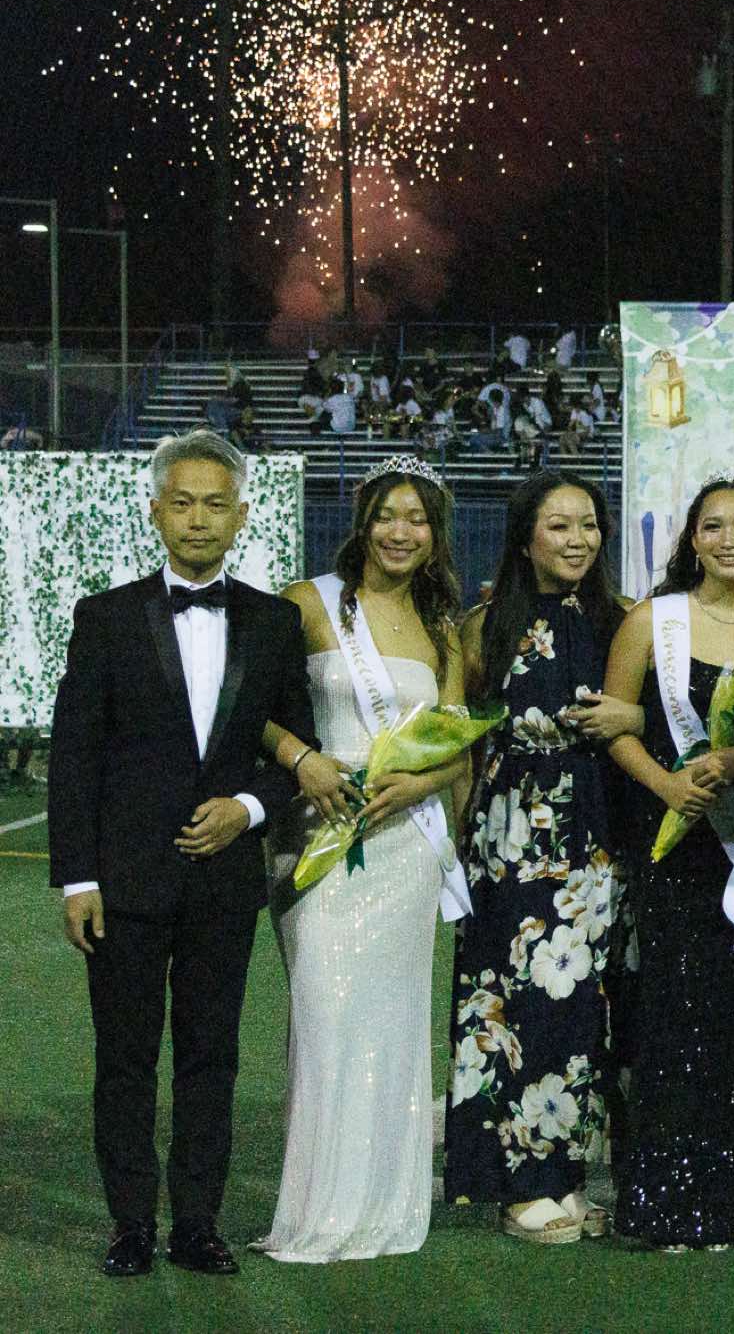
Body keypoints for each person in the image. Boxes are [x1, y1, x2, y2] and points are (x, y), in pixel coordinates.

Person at [50, 430, 316, 1279]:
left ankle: (197, 1222)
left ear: (242, 516)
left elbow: (297, 749)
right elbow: (75, 756)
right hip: (123, 883)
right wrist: (78, 878)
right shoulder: (104, 616)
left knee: (211, 1057)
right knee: (124, 1060)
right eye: (183, 502)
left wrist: (247, 809)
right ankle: (130, 1222)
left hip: (224, 885)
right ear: (156, 511)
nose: (198, 519)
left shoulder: (275, 622)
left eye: (215, 505)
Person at [252, 457, 469, 1263]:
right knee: (325, 1012)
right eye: (387, 515)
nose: (400, 532)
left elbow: (456, 748)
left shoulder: (442, 630)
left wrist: (420, 782)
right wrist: (303, 759)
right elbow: (251, 707)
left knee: (390, 1021)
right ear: (363, 521)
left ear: (435, 533)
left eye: (417, 518)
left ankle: (380, 1199)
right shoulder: (307, 603)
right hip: (316, 837)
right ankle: (318, 1204)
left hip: (405, 847)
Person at [444, 472, 638, 1244]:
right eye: (559, 525)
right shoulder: (482, 626)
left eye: (588, 524)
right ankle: (517, 1184)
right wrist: (458, 842)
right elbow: (457, 740)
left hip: (594, 838)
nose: (577, 539)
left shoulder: (623, 621)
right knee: (512, 1006)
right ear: (525, 538)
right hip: (510, 840)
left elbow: (650, 721)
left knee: (583, 1009)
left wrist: (634, 715)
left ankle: (566, 1175)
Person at [602, 472, 734, 1251]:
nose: (729, 540)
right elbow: (614, 727)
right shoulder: (653, 619)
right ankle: (663, 1193)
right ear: (692, 537)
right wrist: (667, 784)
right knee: (671, 1008)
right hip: (669, 842)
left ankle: (726, 1189)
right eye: (713, 525)